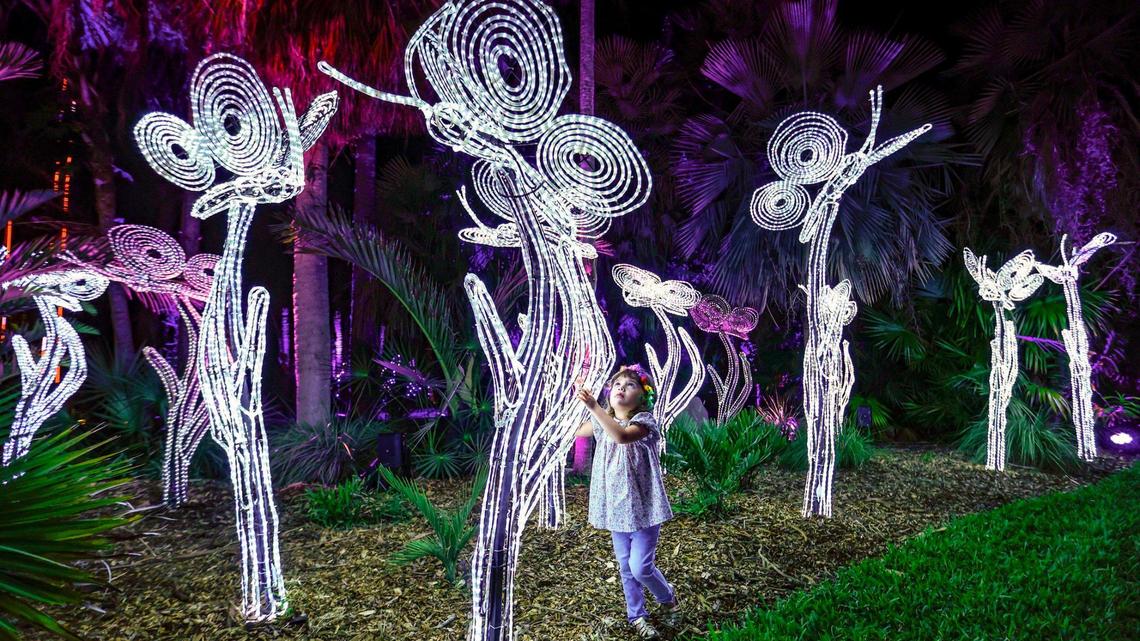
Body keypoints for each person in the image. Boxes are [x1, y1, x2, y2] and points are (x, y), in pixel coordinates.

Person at [575, 367, 680, 639]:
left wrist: (594, 406)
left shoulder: (645, 421)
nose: (621, 387)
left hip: (645, 507)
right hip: (616, 508)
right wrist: (575, 395)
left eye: (630, 385)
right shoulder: (602, 420)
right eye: (617, 384)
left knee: (641, 567)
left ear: (642, 397)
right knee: (625, 567)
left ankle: (668, 598)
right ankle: (637, 615)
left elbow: (621, 437)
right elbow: (576, 431)